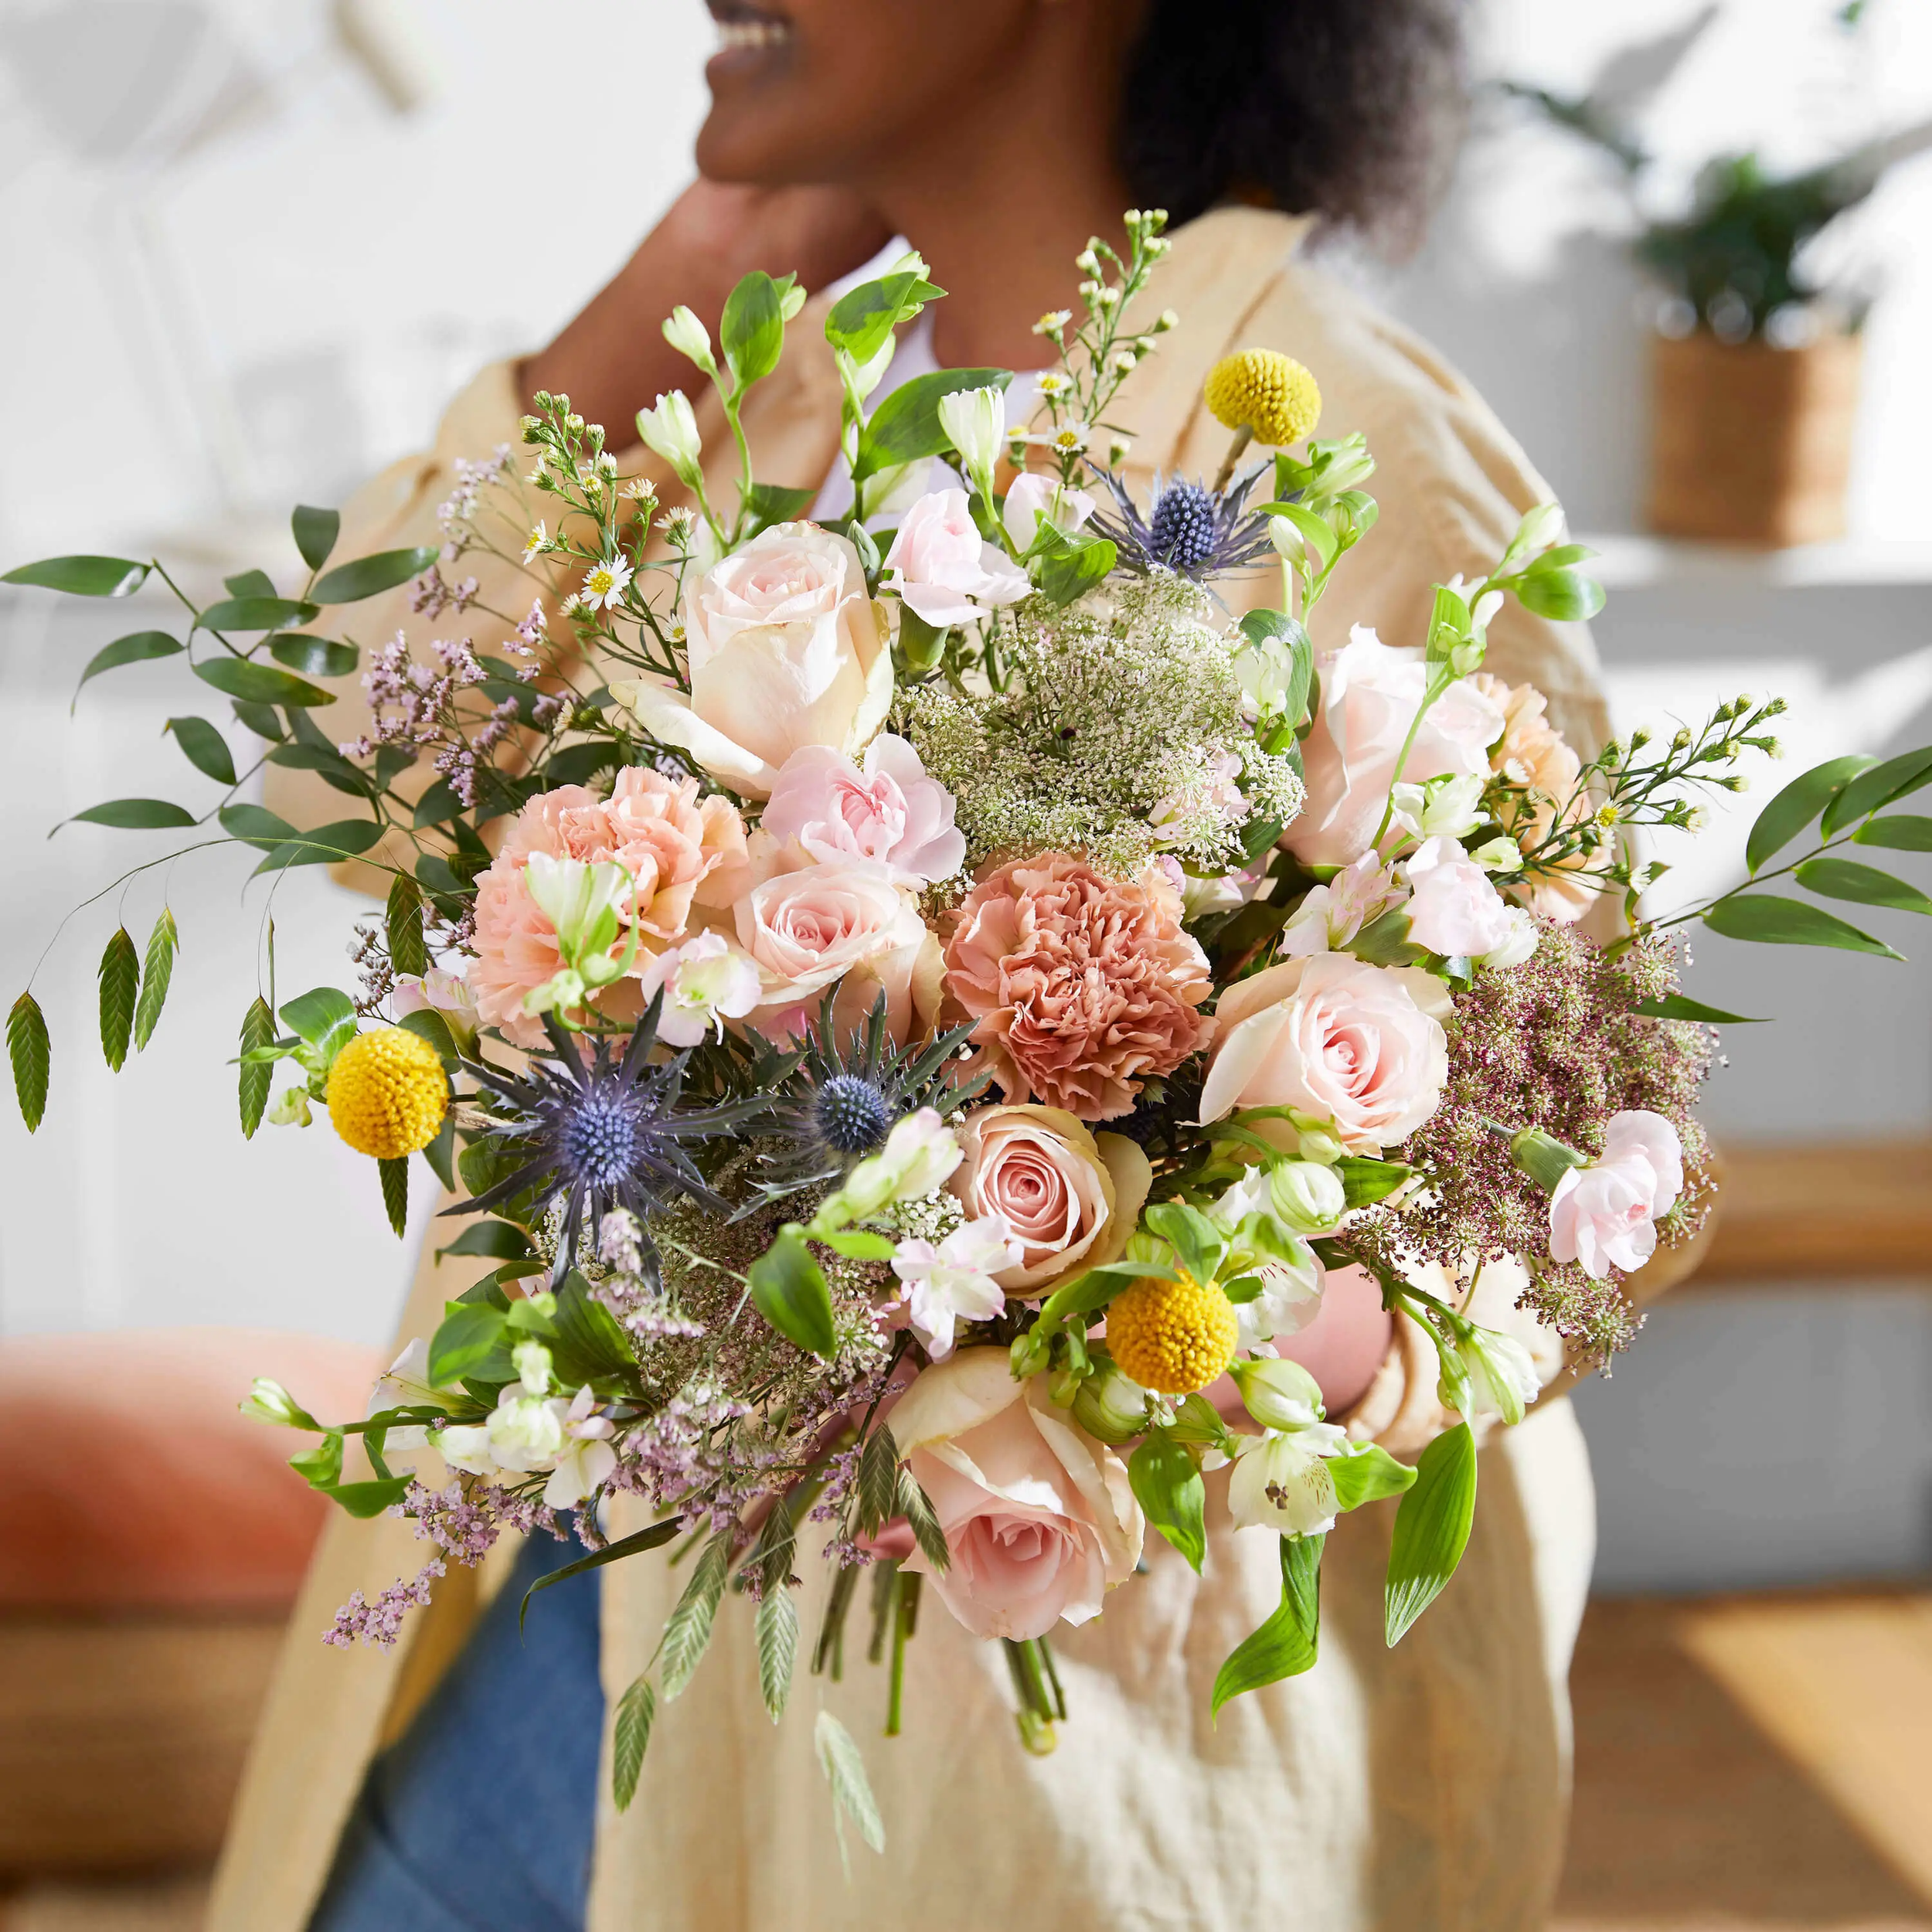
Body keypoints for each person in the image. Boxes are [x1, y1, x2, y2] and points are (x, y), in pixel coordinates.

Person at [211, 3, 1658, 1927]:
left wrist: (1180, 1312)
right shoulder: (777, 399)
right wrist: (691, 275)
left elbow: (1571, 1172)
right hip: (618, 1578)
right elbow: (344, 776)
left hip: (1036, 1751)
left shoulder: (1354, 451)